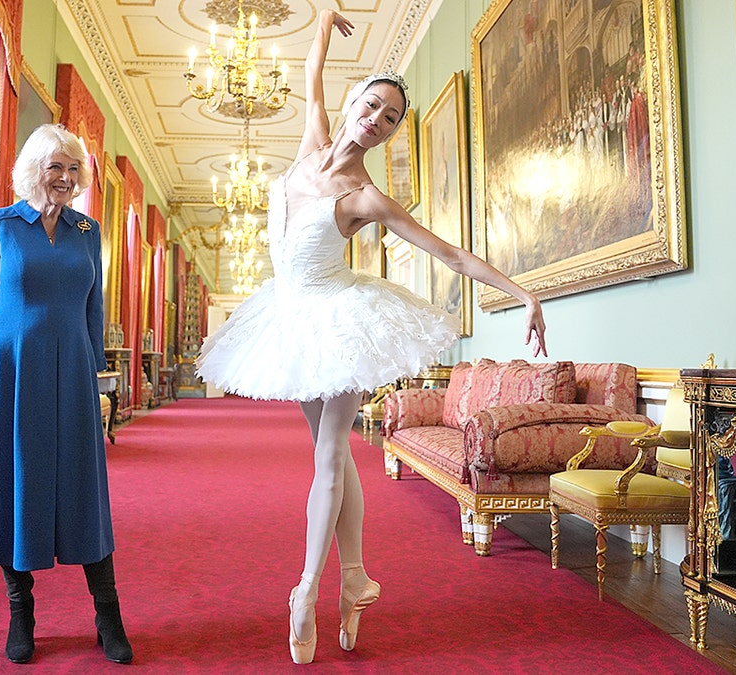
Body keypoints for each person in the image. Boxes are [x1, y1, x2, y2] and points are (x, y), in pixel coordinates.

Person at [196, 10, 547, 665]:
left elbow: (449, 253)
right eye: (375, 105)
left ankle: (306, 590)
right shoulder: (311, 141)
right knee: (328, 457)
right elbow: (311, 71)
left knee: (329, 455)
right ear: (356, 102)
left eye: (390, 120)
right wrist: (325, 19)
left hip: (342, 322)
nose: (378, 120)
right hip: (288, 320)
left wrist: (523, 291)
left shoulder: (365, 197)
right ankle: (354, 575)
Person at [0, 124, 133, 665]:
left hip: (71, 372)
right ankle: (20, 612)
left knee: (83, 489)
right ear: (34, 169)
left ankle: (107, 613)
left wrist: (94, 373)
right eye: (57, 167)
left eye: (75, 169)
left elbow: (93, 306)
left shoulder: (86, 229)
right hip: (8, 371)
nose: (67, 178)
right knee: (15, 484)